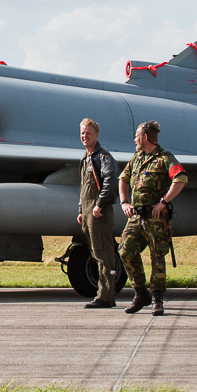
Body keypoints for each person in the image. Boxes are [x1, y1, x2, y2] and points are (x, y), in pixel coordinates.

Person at [119, 121, 188, 316]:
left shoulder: (165, 158)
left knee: (157, 257)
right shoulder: (137, 158)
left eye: (137, 136)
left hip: (156, 218)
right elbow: (123, 179)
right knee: (125, 251)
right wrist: (124, 202)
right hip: (136, 216)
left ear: (145, 138)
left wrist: (164, 202)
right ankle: (141, 293)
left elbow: (181, 178)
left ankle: (157, 298)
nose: (134, 139)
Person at [77, 118, 120, 309]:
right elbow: (83, 188)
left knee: (104, 254)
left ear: (97, 135)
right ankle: (104, 294)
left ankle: (106, 296)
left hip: (98, 213)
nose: (85, 137)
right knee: (96, 253)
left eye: (88, 133)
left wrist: (99, 205)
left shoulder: (103, 157)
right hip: (88, 213)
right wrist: (81, 210)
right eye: (82, 133)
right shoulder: (86, 158)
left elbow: (111, 182)